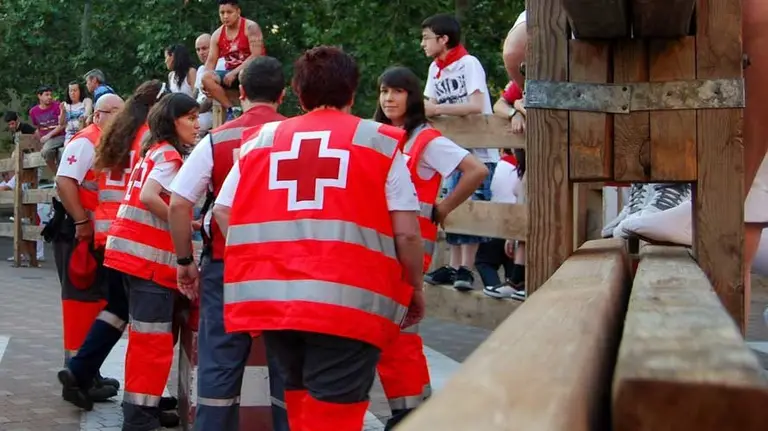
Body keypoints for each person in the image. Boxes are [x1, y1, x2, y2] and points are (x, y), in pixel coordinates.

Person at [208, 46, 424, 431]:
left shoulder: (260, 141)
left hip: (278, 303)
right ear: (352, 93)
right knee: (334, 417)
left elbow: (222, 211)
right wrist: (413, 288)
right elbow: (407, 233)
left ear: (298, 93)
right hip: (347, 303)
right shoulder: (380, 142)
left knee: (299, 404)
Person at [169, 56, 290, 431]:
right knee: (289, 370)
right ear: (283, 96)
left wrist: (186, 260)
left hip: (228, 265)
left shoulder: (217, 139)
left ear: (241, 92)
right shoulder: (299, 136)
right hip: (287, 269)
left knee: (219, 370)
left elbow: (178, 203)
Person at [373, 66, 487, 429]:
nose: (389, 99)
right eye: (383, 92)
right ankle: (412, 411)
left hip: (408, 250)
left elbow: (476, 170)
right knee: (390, 331)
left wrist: (443, 208)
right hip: (384, 249)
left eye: (397, 92)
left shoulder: (426, 140)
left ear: (412, 96)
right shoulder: (384, 136)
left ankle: (411, 414)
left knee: (398, 332)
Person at [56, 81, 177, 413]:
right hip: (137, 238)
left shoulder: (114, 137)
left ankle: (80, 370)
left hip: (109, 234)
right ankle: (148, 396)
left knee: (117, 308)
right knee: (144, 321)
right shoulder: (148, 141)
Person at [104, 93, 199, 431]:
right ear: (173, 121)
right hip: (148, 263)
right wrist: (185, 221)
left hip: (129, 256)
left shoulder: (152, 149)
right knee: (153, 344)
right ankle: (140, 419)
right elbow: (149, 196)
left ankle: (144, 411)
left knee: (146, 340)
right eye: (190, 117)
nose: (197, 124)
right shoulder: (170, 155)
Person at [48, 94, 125, 406]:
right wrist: (81, 221)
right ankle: (77, 376)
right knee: (81, 302)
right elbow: (64, 182)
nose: (121, 120)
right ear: (98, 116)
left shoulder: (107, 144)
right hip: (78, 233)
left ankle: (87, 372)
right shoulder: (86, 142)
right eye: (115, 114)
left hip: (95, 236)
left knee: (97, 301)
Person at [420, 13, 498, 291]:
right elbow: (430, 101)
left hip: (479, 149)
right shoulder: (435, 69)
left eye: (427, 38)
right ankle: (454, 266)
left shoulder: (468, 64)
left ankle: (466, 266)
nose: (423, 44)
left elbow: (476, 104)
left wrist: (437, 109)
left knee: (472, 204)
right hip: (452, 149)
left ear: (444, 39)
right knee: (450, 203)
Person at [201, 0, 265, 120]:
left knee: (242, 74)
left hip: (254, 73)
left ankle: (250, 112)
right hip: (230, 75)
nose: (225, 16)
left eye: (229, 12)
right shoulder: (217, 34)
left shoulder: (251, 27)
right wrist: (204, 85)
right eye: (222, 13)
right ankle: (232, 110)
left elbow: (257, 56)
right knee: (206, 78)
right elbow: (210, 62)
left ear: (238, 11)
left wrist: (234, 72)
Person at [194, 33, 227, 135]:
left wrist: (192, 112)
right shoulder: (201, 69)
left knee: (181, 125)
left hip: (213, 111)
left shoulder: (223, 64)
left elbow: (210, 100)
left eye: (204, 48)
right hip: (198, 110)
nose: (201, 52)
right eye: (198, 50)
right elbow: (194, 94)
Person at [31, 85, 66, 173]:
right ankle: (57, 173)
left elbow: (62, 125)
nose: (50, 97)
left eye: (51, 95)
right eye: (46, 95)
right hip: (47, 141)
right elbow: (37, 128)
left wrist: (48, 136)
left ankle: (58, 175)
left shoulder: (57, 106)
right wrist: (40, 142)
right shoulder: (33, 111)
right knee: (47, 152)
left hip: (60, 136)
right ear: (39, 96)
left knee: (46, 151)